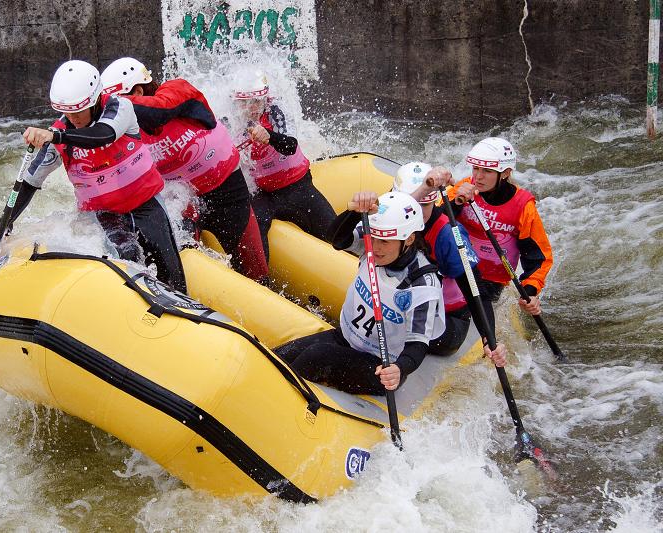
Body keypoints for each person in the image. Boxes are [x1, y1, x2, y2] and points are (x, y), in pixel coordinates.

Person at [0, 59, 187, 293]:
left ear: (93, 100)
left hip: (146, 205)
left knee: (172, 275)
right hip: (103, 216)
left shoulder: (120, 108)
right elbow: (29, 182)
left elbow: (104, 134)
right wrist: (3, 225)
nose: (73, 119)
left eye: (79, 111)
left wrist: (56, 137)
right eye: (67, 112)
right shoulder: (59, 134)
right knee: (128, 258)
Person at [100, 57, 268, 281]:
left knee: (256, 273)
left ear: (138, 91)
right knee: (182, 252)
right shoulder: (123, 130)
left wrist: (104, 102)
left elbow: (159, 111)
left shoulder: (178, 89)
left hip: (227, 192)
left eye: (116, 105)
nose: (112, 115)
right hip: (181, 199)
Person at [276, 191, 450, 394]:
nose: (375, 248)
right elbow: (337, 239)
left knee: (317, 356)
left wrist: (399, 368)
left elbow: (417, 344)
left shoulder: (422, 283)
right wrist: (354, 213)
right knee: (281, 355)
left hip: (379, 365)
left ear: (409, 239)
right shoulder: (371, 241)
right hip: (344, 338)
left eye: (384, 241)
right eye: (373, 238)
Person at [397, 162, 507, 361]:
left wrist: (488, 338)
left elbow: (476, 292)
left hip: (448, 321)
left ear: (433, 202)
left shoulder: (448, 235)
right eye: (413, 204)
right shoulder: (391, 218)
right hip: (405, 303)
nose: (414, 214)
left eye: (423, 206)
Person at [230, 69, 336, 260]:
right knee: (254, 229)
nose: (252, 107)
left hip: (296, 185)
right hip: (263, 193)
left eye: (256, 101)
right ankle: (260, 283)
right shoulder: (230, 120)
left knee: (332, 229)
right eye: (245, 103)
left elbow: (290, 146)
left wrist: (270, 136)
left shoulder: (276, 109)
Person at [449, 137, 554, 316]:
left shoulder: (523, 206)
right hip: (457, 267)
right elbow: (436, 223)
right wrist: (457, 203)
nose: (478, 176)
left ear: (505, 173)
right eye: (476, 168)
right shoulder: (464, 187)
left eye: (487, 171)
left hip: (491, 280)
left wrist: (529, 292)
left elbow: (538, 258)